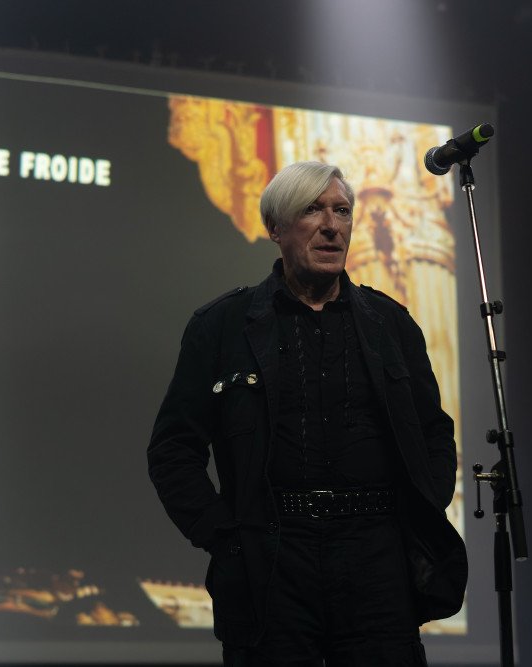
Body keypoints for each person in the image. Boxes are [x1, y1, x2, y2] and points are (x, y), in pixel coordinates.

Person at [147, 161, 467, 666]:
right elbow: (173, 450)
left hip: (377, 561)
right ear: (275, 228)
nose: (331, 225)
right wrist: (224, 539)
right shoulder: (222, 325)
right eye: (312, 210)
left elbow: (434, 434)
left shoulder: (391, 324)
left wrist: (420, 516)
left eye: (342, 211)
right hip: (272, 560)